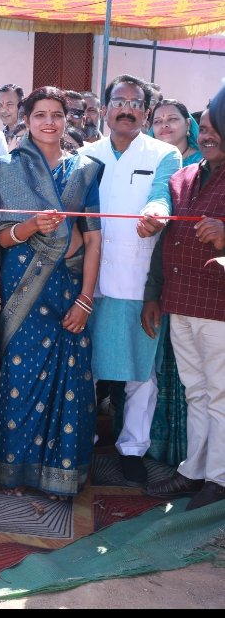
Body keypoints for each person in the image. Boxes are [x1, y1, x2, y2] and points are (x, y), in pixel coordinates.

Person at [0, 86, 103, 499]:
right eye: (40, 114)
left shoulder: (84, 169)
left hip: (69, 289)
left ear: (68, 119)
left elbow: (94, 238)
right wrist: (30, 227)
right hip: (24, 290)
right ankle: (15, 471)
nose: (49, 122)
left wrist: (86, 299)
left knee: (68, 380)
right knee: (19, 378)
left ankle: (60, 474)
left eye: (57, 114)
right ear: (27, 119)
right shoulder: (6, 169)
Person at [82, 74, 181, 487]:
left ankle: (133, 449)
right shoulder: (85, 155)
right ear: (105, 109)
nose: (127, 109)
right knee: (85, 369)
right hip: (89, 282)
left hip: (140, 281)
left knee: (142, 373)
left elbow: (162, 195)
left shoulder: (164, 154)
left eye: (135, 103)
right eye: (119, 102)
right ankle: (80, 445)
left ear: (146, 111)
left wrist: (156, 213)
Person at [145, 91, 225, 510]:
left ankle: (218, 479)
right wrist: (153, 295)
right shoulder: (184, 177)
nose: (207, 135)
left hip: (218, 307)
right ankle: (194, 471)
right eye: (204, 128)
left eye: (215, 128)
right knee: (196, 391)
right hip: (179, 302)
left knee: (221, 395)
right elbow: (166, 242)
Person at [143, 99, 202, 465]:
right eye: (158, 120)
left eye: (173, 119)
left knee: (194, 378)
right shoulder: (153, 161)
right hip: (156, 273)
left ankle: (191, 458)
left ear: (188, 125)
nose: (164, 125)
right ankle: (158, 450)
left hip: (196, 282)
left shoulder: (203, 167)